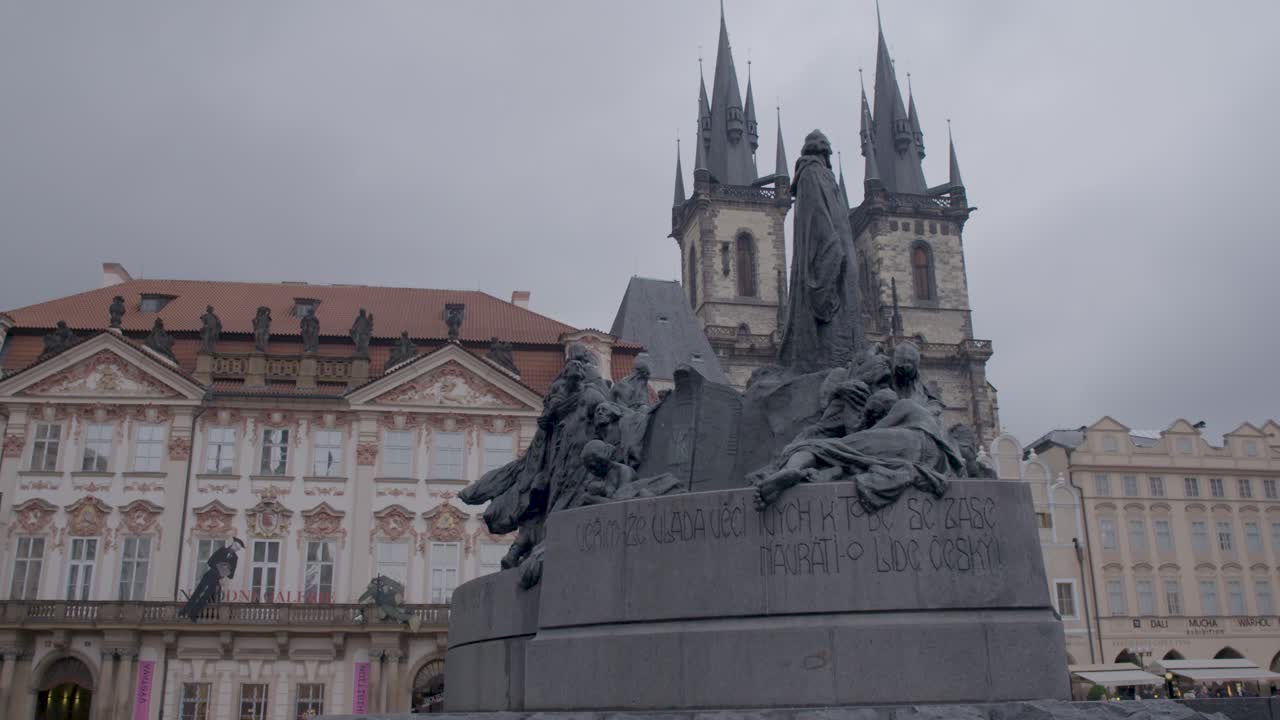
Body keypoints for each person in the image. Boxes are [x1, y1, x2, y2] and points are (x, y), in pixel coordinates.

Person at [180, 538, 245, 621]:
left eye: (238, 548)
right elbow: (210, 562)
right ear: (233, 544)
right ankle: (184, 611)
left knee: (205, 597)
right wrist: (221, 567)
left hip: (216, 579)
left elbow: (231, 575)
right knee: (197, 592)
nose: (236, 549)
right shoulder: (222, 550)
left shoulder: (235, 558)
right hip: (209, 575)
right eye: (236, 546)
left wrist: (226, 571)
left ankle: (193, 614)